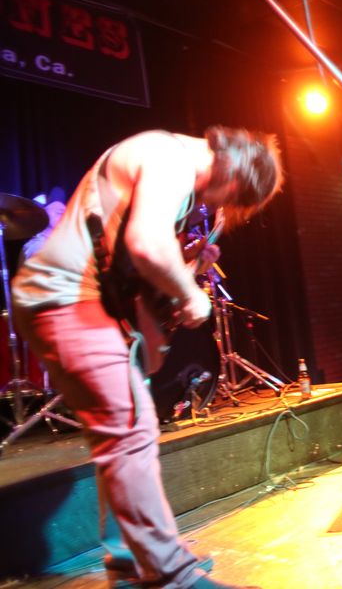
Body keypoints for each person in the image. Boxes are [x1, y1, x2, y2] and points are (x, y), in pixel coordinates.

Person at [12, 127, 283, 588]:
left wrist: (190, 265)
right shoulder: (169, 156)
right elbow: (146, 244)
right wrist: (190, 296)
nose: (218, 207)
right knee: (130, 434)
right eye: (231, 199)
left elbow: (130, 258)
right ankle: (170, 575)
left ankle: (132, 563)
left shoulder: (168, 162)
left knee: (123, 438)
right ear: (235, 175)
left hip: (75, 301)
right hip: (65, 298)